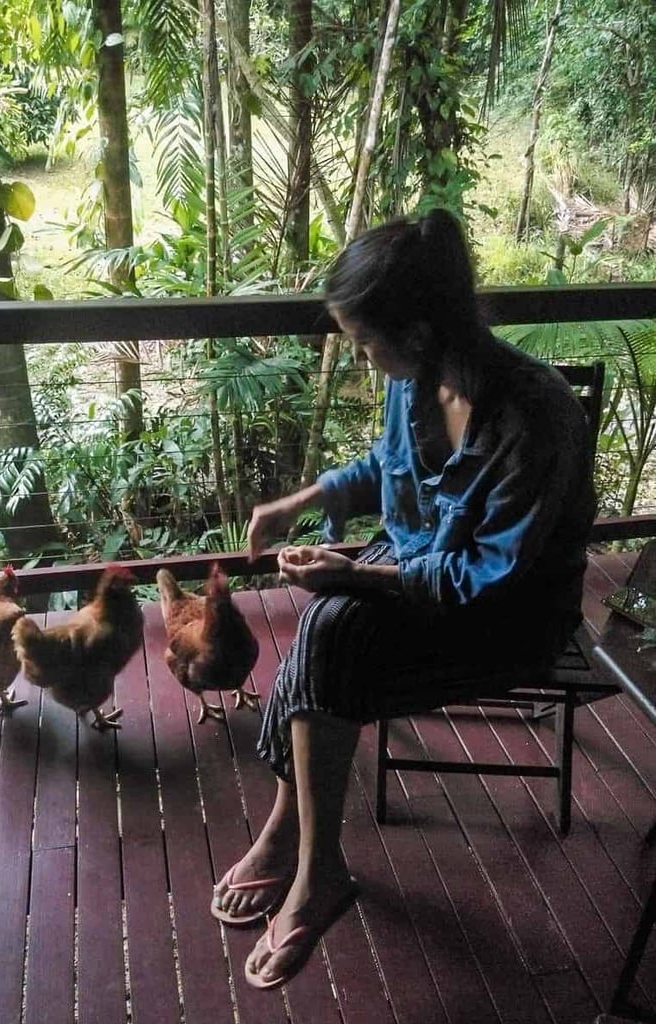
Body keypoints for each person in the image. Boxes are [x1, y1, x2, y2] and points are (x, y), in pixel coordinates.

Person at [210, 207, 597, 990]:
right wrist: (302, 499)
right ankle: (301, 849)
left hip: (506, 620)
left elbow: (490, 580)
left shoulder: (535, 418)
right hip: (418, 572)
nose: (362, 357)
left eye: (364, 342)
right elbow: (386, 464)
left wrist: (354, 576)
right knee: (330, 630)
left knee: (329, 630)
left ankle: (310, 864)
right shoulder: (416, 381)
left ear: (417, 333)